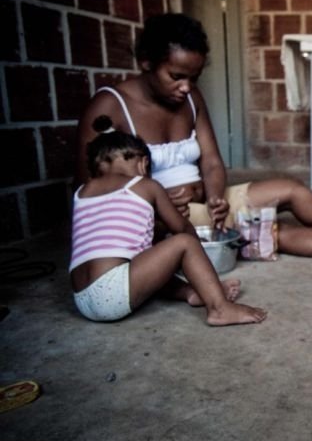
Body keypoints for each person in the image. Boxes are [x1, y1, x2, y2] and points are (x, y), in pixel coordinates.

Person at [75, 13, 312, 258]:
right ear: (146, 61)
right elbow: (92, 191)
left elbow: (211, 161)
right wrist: (160, 203)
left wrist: (214, 199)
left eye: (194, 78)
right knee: (271, 232)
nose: (186, 87)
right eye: (176, 76)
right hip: (163, 222)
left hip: (206, 204)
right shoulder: (110, 107)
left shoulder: (191, 100)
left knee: (290, 189)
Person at [70, 117, 267, 326]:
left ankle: (190, 292)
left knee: (148, 253)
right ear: (144, 163)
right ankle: (219, 307)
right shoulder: (146, 185)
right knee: (184, 243)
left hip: (82, 298)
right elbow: (182, 227)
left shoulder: (82, 192)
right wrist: (202, 269)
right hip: (113, 291)